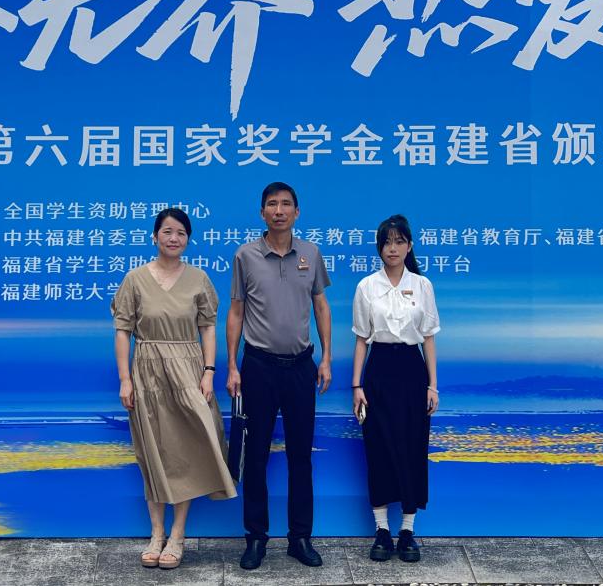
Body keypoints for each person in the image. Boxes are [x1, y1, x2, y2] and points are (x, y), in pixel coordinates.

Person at [112, 207, 236, 570]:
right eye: (167, 231)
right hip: (147, 370)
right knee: (152, 451)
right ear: (155, 236)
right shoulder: (135, 279)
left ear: (188, 239)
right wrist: (125, 378)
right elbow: (122, 331)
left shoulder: (198, 279)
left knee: (186, 451)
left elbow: (208, 327)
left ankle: (177, 535)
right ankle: (156, 533)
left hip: (188, 369)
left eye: (181, 233)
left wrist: (209, 371)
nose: (173, 238)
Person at [226, 181, 333, 569]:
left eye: (286, 204)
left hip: (301, 367)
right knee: (255, 456)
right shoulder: (245, 255)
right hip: (258, 368)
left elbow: (321, 306)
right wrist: (232, 365)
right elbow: (236, 312)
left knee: (300, 456)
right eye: (272, 204)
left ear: (297, 212)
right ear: (262, 212)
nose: (279, 211)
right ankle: (256, 538)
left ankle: (300, 537)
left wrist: (326, 358)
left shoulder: (311, 253)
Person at [350, 214, 440, 563]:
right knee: (378, 447)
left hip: (412, 371)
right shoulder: (366, 286)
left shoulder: (422, 285)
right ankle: (382, 530)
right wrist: (357, 385)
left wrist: (432, 386)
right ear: (379, 247)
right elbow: (362, 339)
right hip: (379, 370)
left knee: (412, 446)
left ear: (409, 246)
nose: (392, 248)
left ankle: (407, 530)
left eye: (399, 241)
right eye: (387, 242)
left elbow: (428, 338)